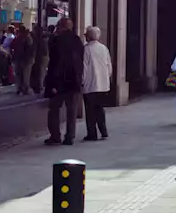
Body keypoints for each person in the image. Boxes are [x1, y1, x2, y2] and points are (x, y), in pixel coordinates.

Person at [44, 18, 84, 146]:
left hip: (59, 80)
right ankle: (70, 136)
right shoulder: (77, 40)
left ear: (60, 27)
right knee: (71, 110)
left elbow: (55, 63)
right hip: (74, 80)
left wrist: (53, 83)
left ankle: (55, 136)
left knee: (54, 109)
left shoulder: (57, 41)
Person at [81, 27, 112, 141]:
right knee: (100, 109)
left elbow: (83, 67)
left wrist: (82, 81)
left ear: (88, 36)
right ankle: (103, 131)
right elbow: (109, 66)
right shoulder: (104, 48)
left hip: (90, 85)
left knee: (90, 111)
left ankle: (92, 133)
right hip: (103, 85)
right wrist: (106, 77)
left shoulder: (86, 49)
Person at [11, 25, 35, 95]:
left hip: (25, 59)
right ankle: (20, 88)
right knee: (19, 75)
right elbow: (13, 46)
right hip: (19, 59)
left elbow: (30, 50)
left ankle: (25, 89)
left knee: (25, 75)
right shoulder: (18, 38)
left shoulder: (28, 38)